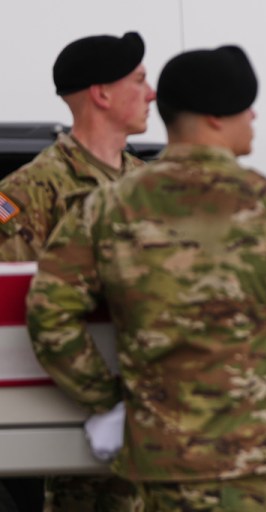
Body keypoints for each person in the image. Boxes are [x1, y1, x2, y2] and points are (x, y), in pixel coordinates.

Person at [25, 45, 266, 512]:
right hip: (240, 462)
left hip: (149, 456)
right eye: (245, 106)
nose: (254, 116)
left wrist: (105, 401)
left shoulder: (107, 207)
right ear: (216, 117)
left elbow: (49, 315)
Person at [0, 31, 154, 512]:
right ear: (102, 94)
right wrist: (109, 402)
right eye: (139, 80)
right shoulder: (28, 192)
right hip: (82, 440)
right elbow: (21, 316)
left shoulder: (153, 185)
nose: (151, 93)